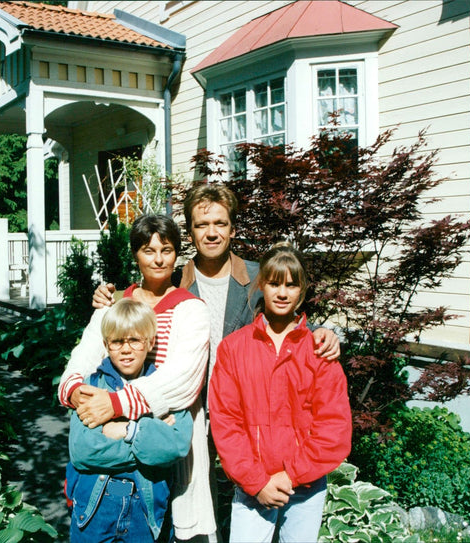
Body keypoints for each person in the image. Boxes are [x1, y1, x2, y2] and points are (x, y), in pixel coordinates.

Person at [58, 213, 216, 541]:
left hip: (167, 447)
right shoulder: (115, 306)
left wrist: (115, 410)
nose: (158, 259)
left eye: (167, 249)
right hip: (109, 474)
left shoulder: (191, 309)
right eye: (148, 250)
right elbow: (81, 361)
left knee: (167, 526)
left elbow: (181, 380)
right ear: (135, 255)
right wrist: (78, 395)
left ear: (177, 254)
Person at [93, 183, 341, 372]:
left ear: (232, 229)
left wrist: (320, 333)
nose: (211, 233)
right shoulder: (175, 282)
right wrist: (109, 298)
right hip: (189, 412)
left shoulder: (259, 278)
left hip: (243, 410)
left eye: (220, 224)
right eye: (202, 225)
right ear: (190, 233)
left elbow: (288, 320)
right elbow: (140, 302)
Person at [208, 242, 352, 543]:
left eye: (291, 285)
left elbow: (333, 427)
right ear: (262, 284)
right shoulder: (235, 348)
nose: (282, 293)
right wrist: (257, 482)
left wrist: (291, 476)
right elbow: (226, 423)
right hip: (252, 485)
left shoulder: (318, 350)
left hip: (306, 485)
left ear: (302, 289)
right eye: (274, 283)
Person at [66, 298, 193, 543]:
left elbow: (176, 446)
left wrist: (129, 430)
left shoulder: (165, 387)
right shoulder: (92, 386)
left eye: (135, 340)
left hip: (144, 511)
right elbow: (82, 451)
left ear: (150, 342)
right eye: (117, 341)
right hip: (95, 508)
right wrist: (151, 443)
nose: (126, 349)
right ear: (106, 345)